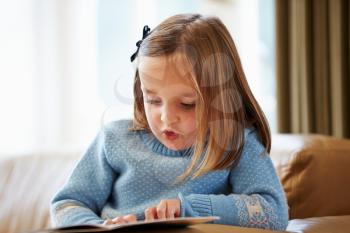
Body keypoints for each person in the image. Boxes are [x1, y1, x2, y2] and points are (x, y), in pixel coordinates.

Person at [50, 13, 289, 230]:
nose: (166, 118)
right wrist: (101, 227)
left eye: (187, 104)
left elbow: (273, 213)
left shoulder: (237, 144)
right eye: (153, 100)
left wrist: (189, 207)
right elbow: (66, 205)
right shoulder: (114, 139)